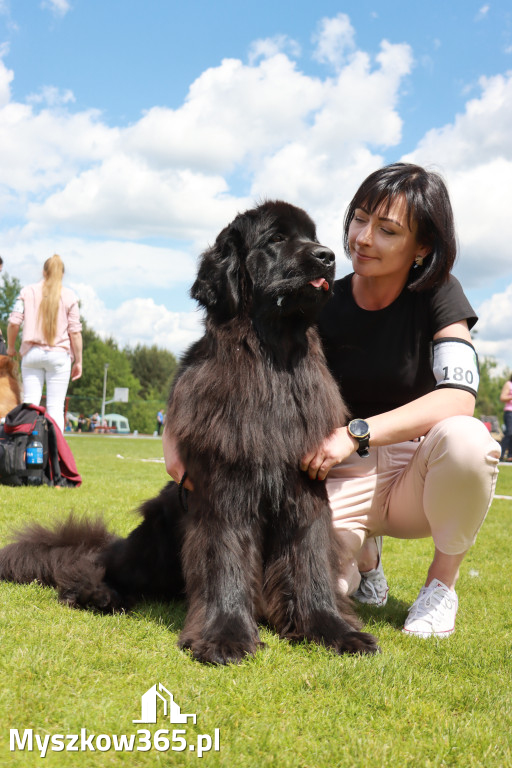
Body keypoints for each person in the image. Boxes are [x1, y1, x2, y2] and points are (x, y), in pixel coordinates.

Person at [163, 162, 500, 640]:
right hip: (341, 470)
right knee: (307, 588)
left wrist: (355, 434)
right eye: (359, 219)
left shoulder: (439, 294)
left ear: (422, 247)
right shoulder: (319, 300)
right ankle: (367, 559)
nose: (362, 238)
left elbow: (460, 397)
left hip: (406, 464)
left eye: (387, 230)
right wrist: (173, 438)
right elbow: (212, 356)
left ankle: (439, 588)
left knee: (468, 440)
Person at [6, 254, 82, 433]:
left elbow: (13, 323)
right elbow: (75, 332)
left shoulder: (27, 292)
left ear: (43, 272)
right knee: (56, 406)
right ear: (62, 274)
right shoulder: (70, 296)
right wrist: (78, 361)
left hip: (32, 353)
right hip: (59, 356)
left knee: (30, 403)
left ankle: (26, 448)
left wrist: (11, 347)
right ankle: (55, 453)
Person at [499, 375, 512, 461]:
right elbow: (502, 397)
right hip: (509, 412)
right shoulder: (509, 384)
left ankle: (510, 456)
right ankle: (501, 454)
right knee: (509, 433)